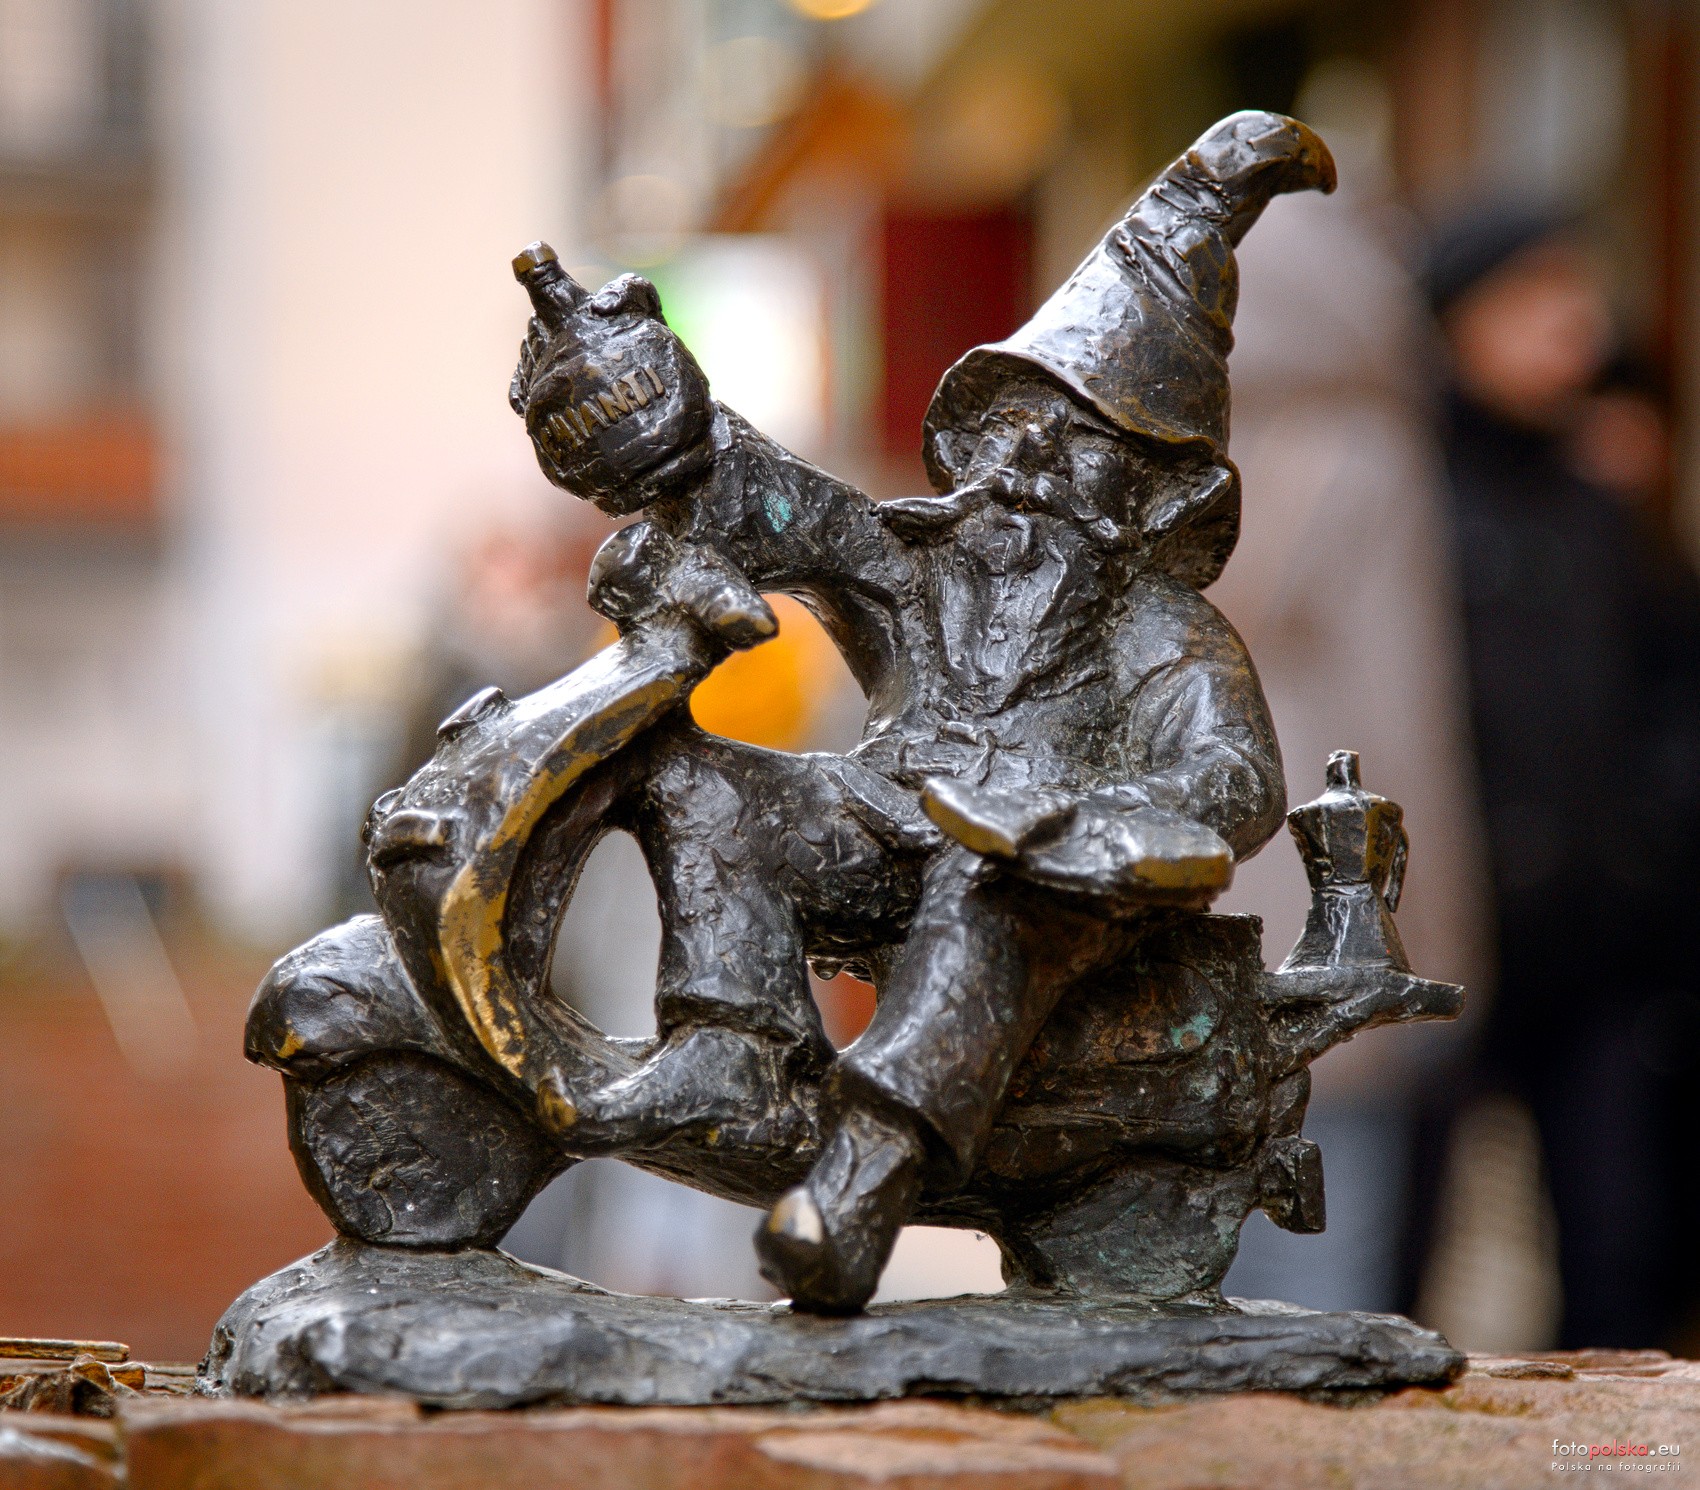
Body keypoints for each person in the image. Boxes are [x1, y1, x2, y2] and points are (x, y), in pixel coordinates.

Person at [504, 112, 1336, 1312]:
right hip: (877, 824)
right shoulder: (923, 562)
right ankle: (732, 1044)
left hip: (1038, 881)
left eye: (1077, 447)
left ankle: (865, 1179)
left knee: (984, 879)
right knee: (695, 775)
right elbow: (778, 501)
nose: (1022, 467)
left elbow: (1232, 776)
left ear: (1157, 497)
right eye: (1006, 429)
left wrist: (1087, 819)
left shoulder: (1168, 635)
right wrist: (654, 416)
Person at [1421, 207, 1700, 1348]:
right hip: (1437, 941)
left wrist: (1649, 842)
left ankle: (1606, 1448)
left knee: (1615, 1267)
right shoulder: (1406, 495)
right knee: (1388, 1269)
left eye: (1577, 293)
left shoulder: (1601, 496)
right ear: (1457, 321)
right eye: (1533, 295)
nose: (1571, 322)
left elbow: (1670, 682)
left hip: (1601, 946)